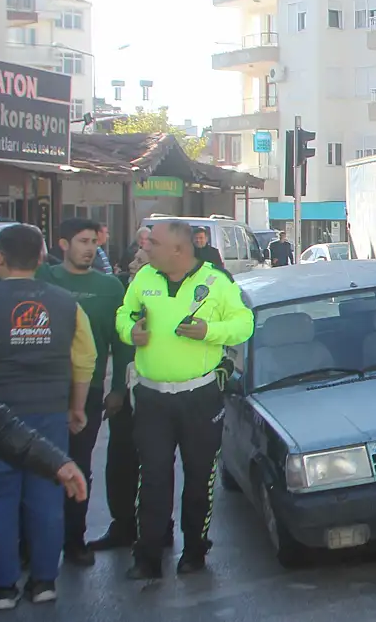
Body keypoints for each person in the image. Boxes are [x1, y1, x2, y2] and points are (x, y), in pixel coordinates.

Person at [0, 218, 134, 567]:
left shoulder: (110, 286)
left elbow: (119, 341)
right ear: (60, 246)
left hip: (89, 390)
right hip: (46, 393)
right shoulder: (46, 278)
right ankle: (27, 548)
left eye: (95, 242)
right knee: (31, 467)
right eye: (83, 241)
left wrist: (117, 387)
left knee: (78, 468)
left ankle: (73, 540)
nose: (90, 248)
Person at [117, 220, 254, 579]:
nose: (145, 248)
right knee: (154, 477)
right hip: (152, 398)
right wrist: (130, 330)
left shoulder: (216, 282)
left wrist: (211, 332)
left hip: (199, 397)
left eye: (154, 243)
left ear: (178, 249)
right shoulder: (144, 278)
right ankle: (148, 554)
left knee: (198, 477)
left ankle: (194, 549)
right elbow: (124, 314)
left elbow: (244, 324)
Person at [0, 340, 88, 605]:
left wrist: (53, 461)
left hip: (11, 417)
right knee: (40, 506)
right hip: (47, 411)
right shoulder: (67, 304)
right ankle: (42, 582)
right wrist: (78, 405)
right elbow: (86, 357)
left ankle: (3, 588)